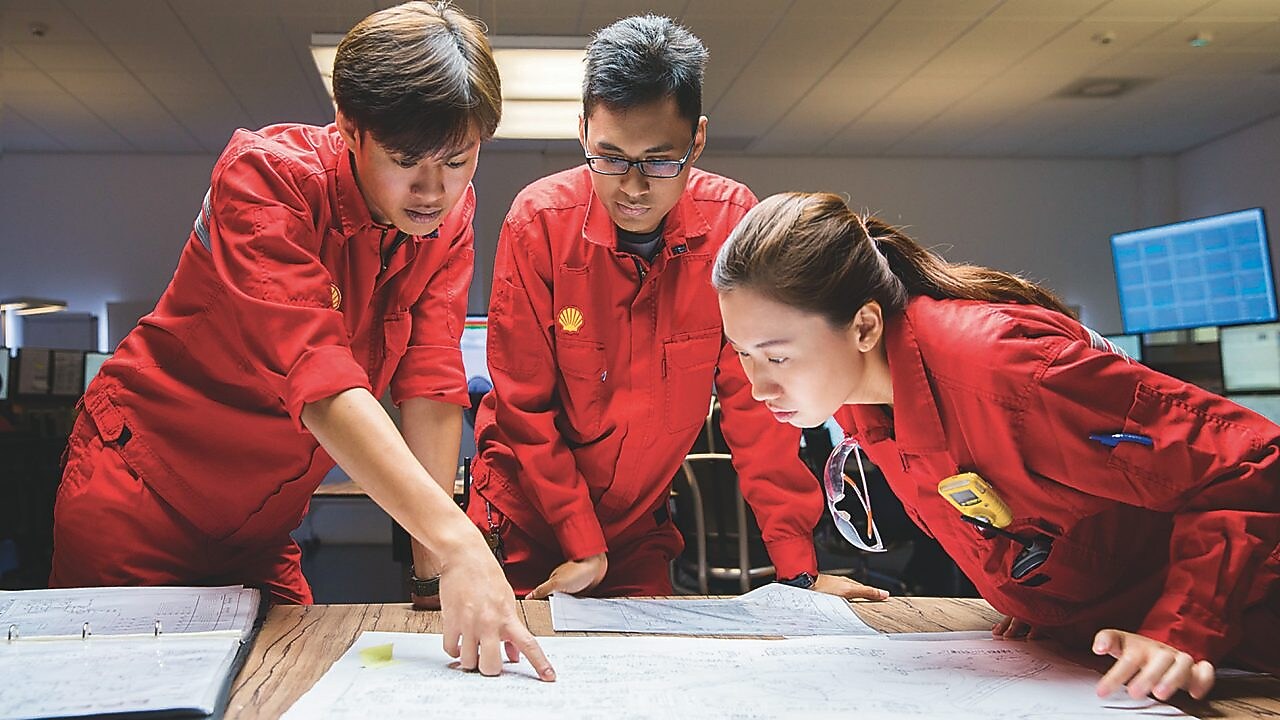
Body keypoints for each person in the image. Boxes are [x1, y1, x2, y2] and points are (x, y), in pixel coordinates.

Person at [48, 2, 553, 681]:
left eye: (458, 161)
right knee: (115, 691)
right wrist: (461, 543)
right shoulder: (265, 180)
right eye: (407, 161)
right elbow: (319, 379)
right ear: (350, 127)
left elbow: (431, 380)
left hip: (259, 530)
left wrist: (433, 575)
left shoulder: (446, 215)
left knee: (290, 683)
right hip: (142, 498)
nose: (434, 190)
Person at [713, 191, 1279, 701]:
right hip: (1101, 653)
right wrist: (1044, 602)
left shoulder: (1006, 371)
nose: (758, 386)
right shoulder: (864, 400)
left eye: (777, 356)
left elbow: (1248, 465)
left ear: (863, 327)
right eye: (741, 352)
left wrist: (1181, 629)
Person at [451, 16, 888, 602]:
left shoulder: (733, 225)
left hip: (637, 529)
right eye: (608, 158)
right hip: (523, 521)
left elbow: (759, 411)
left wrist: (798, 569)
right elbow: (523, 407)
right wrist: (581, 541)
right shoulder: (539, 225)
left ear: (697, 140)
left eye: (659, 161)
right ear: (583, 132)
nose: (632, 187)